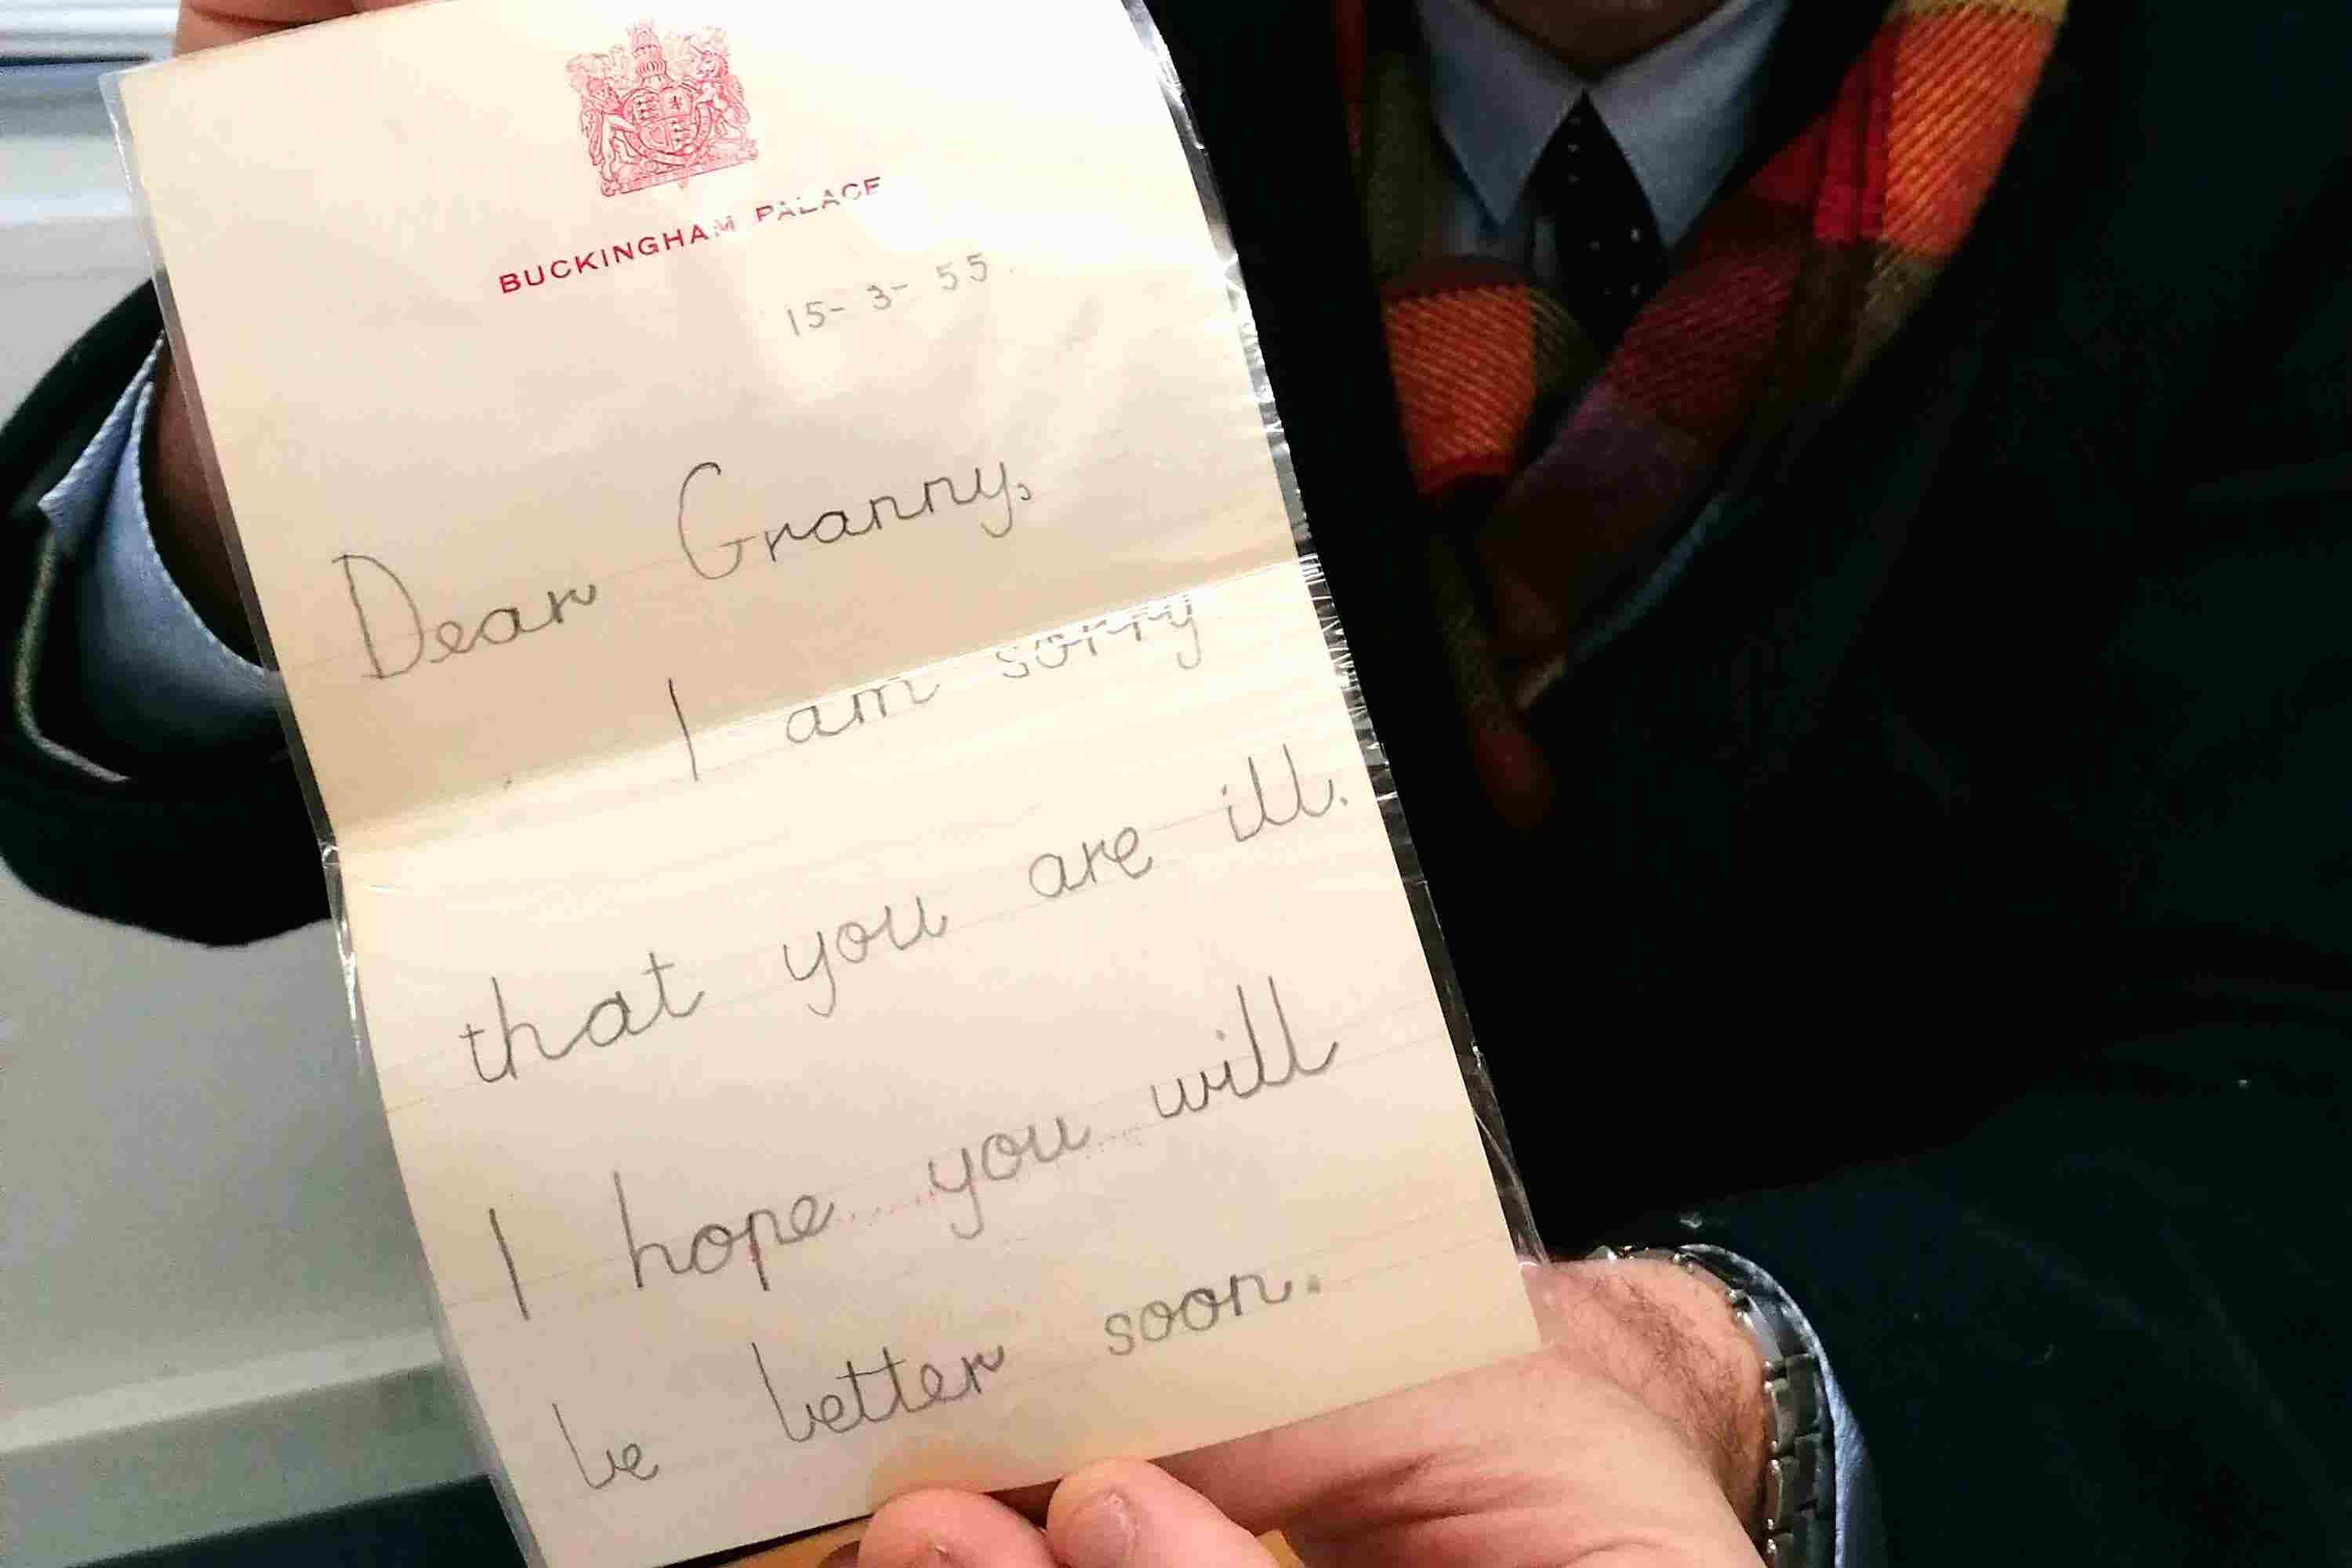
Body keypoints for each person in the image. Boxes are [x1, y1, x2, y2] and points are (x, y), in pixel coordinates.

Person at [3, 1, 2346, 1565]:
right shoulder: (943, 23)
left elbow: (2288, 1101)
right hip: (896, 1494)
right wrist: (323, 403)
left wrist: (1719, 1379)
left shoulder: (2268, 122)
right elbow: (152, 787)